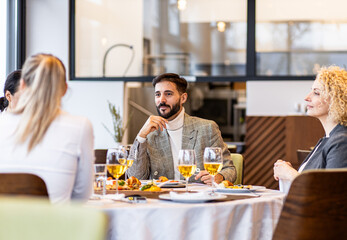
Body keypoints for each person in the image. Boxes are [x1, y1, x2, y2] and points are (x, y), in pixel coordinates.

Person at [0, 54, 94, 204]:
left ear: (22, 85)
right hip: (57, 225)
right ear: (64, 89)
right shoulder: (81, 126)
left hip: (5, 226)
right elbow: (82, 197)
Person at [128, 73, 236, 184]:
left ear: (183, 98)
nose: (162, 100)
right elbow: (135, 177)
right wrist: (141, 136)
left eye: (168, 94)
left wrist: (219, 177)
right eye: (157, 95)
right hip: (162, 197)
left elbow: (229, 169)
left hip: (197, 198)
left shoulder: (207, 128)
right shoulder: (150, 134)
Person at [274, 66, 347, 183]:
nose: (307, 97)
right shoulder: (328, 138)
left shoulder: (341, 141)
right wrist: (287, 171)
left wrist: (290, 174)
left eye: (316, 93)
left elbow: (331, 192)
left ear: (335, 100)